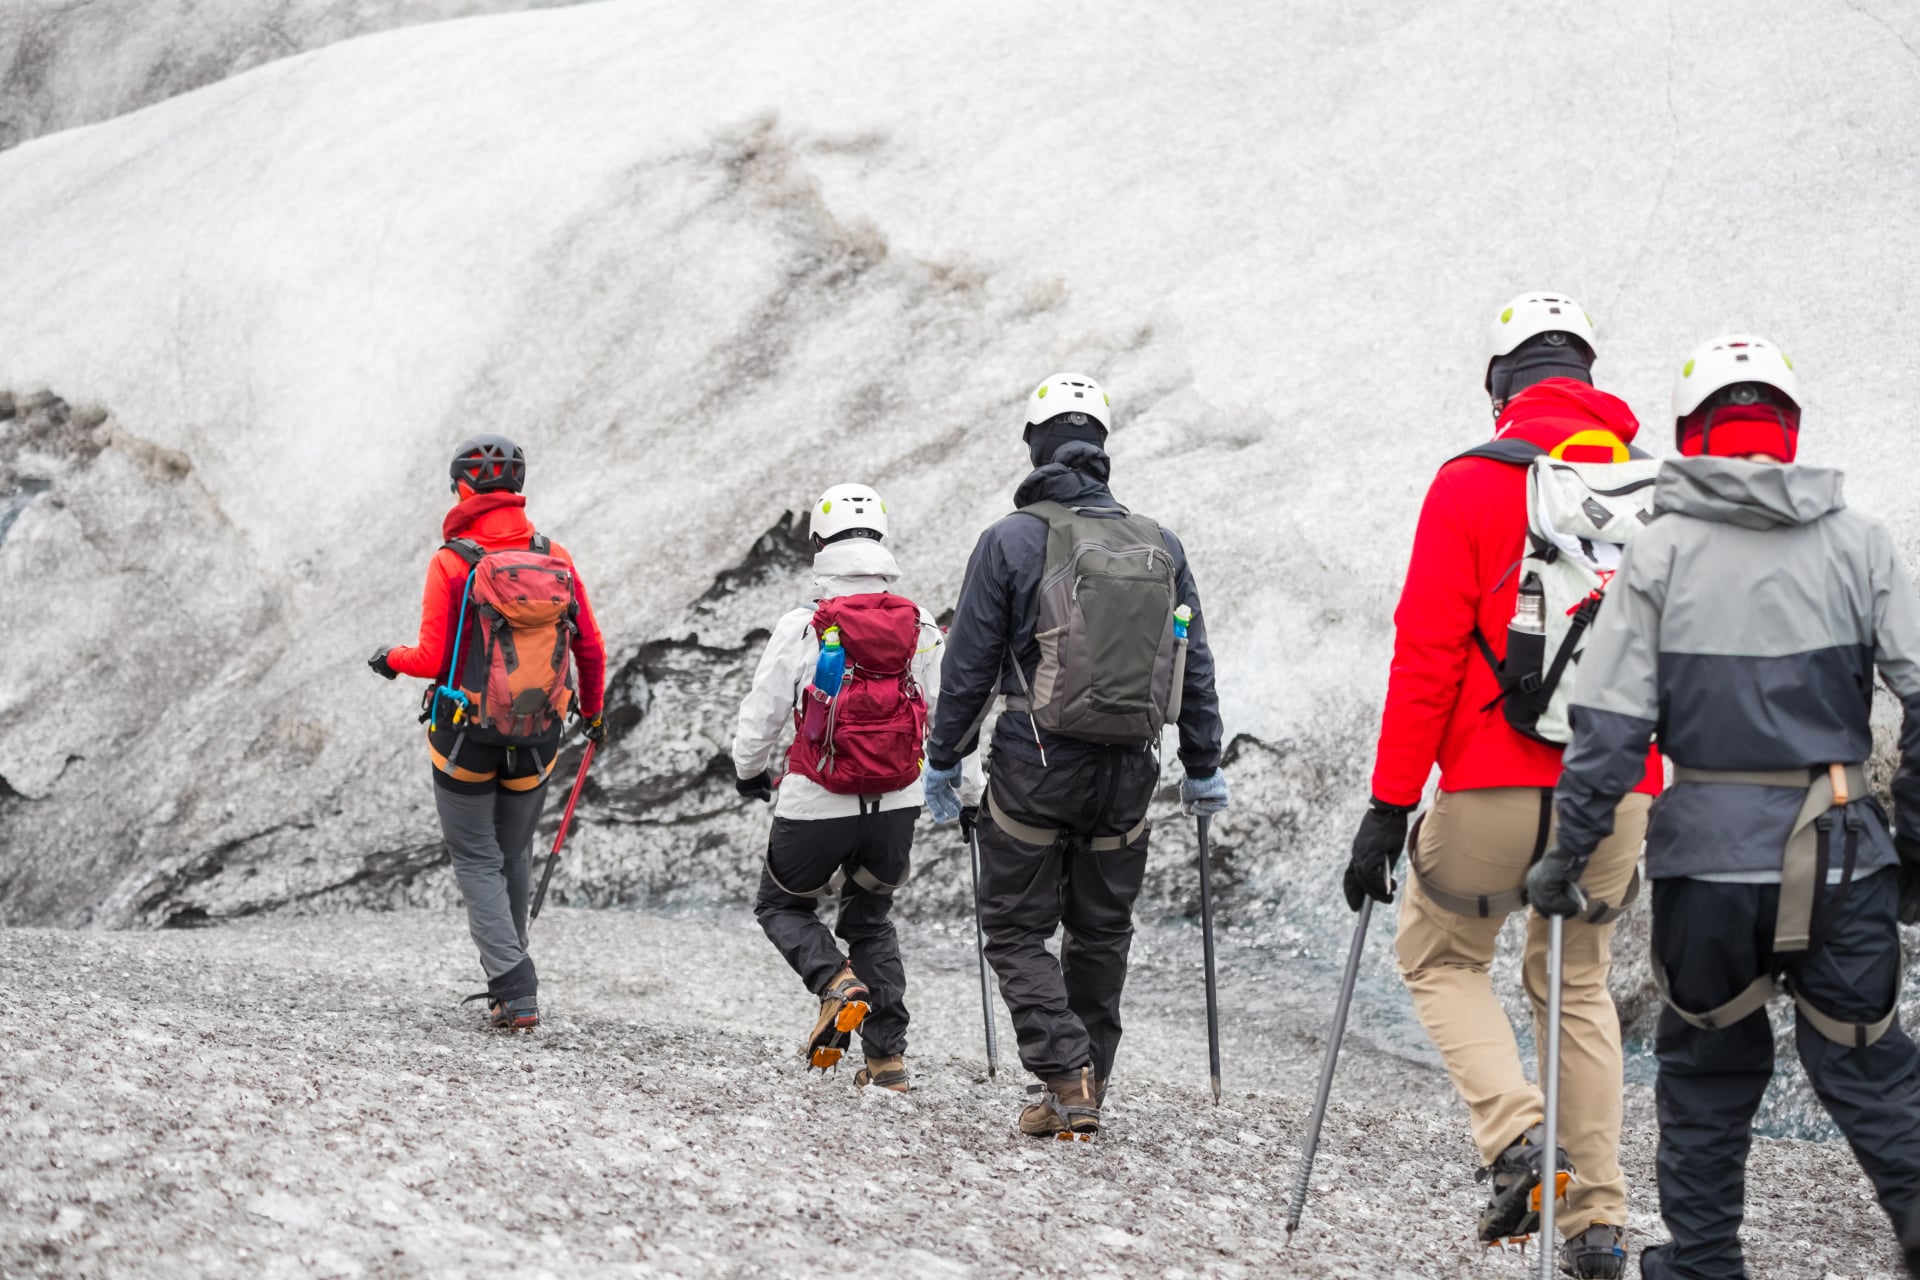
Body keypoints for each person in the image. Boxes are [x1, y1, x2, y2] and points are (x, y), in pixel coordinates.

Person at [1533, 334, 1920, 1278]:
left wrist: (1567, 856)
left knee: (1707, 1072)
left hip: (1707, 862)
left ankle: (1704, 1264)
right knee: (1870, 1066)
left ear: (1689, 435)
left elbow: (1612, 728)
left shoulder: (1661, 552)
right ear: (1790, 430)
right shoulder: (1862, 541)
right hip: (1840, 853)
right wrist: (1911, 845)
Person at [1346, 293, 1660, 1276]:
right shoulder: (1657, 490)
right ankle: (1598, 1222)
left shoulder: (1471, 484)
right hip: (1616, 789)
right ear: (1590, 377)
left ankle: (1520, 1136)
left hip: (1488, 776)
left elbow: (1428, 656)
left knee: (1441, 956)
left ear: (1500, 384)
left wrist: (1389, 805)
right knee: (1575, 982)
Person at [923, 373, 1227, 1140]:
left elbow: (968, 667)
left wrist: (944, 759)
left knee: (1016, 926)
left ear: (1036, 446)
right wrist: (1203, 763)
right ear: (1101, 449)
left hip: (1035, 761)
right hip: (1131, 767)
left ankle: (1063, 1070)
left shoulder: (1012, 539)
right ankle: (1083, 1085)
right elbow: (1195, 662)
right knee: (1101, 931)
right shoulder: (1162, 543)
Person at [368, 435, 606, 1031]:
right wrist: (594, 712)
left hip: (465, 738)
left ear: (465, 488)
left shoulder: (453, 561)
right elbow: (591, 646)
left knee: (476, 857)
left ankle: (514, 985)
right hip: (541, 735)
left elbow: (428, 657)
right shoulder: (556, 555)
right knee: (513, 852)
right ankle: (512, 980)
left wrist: (387, 657)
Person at [731, 484, 943, 1092]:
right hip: (896, 803)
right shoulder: (920, 624)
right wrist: (964, 787)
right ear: (881, 545)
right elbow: (948, 709)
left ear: (819, 547)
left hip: (816, 803)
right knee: (871, 918)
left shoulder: (803, 625)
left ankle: (835, 983)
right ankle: (886, 1061)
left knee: (782, 905)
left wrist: (749, 772)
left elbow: (763, 714)